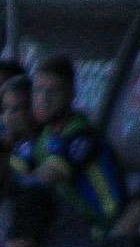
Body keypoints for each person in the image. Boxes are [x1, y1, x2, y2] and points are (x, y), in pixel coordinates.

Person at [26, 54, 127, 234]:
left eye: (53, 91)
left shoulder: (82, 134)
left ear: (71, 95)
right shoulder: (43, 136)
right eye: (38, 90)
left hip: (101, 229)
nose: (43, 99)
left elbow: (45, 178)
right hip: (69, 229)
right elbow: (18, 171)